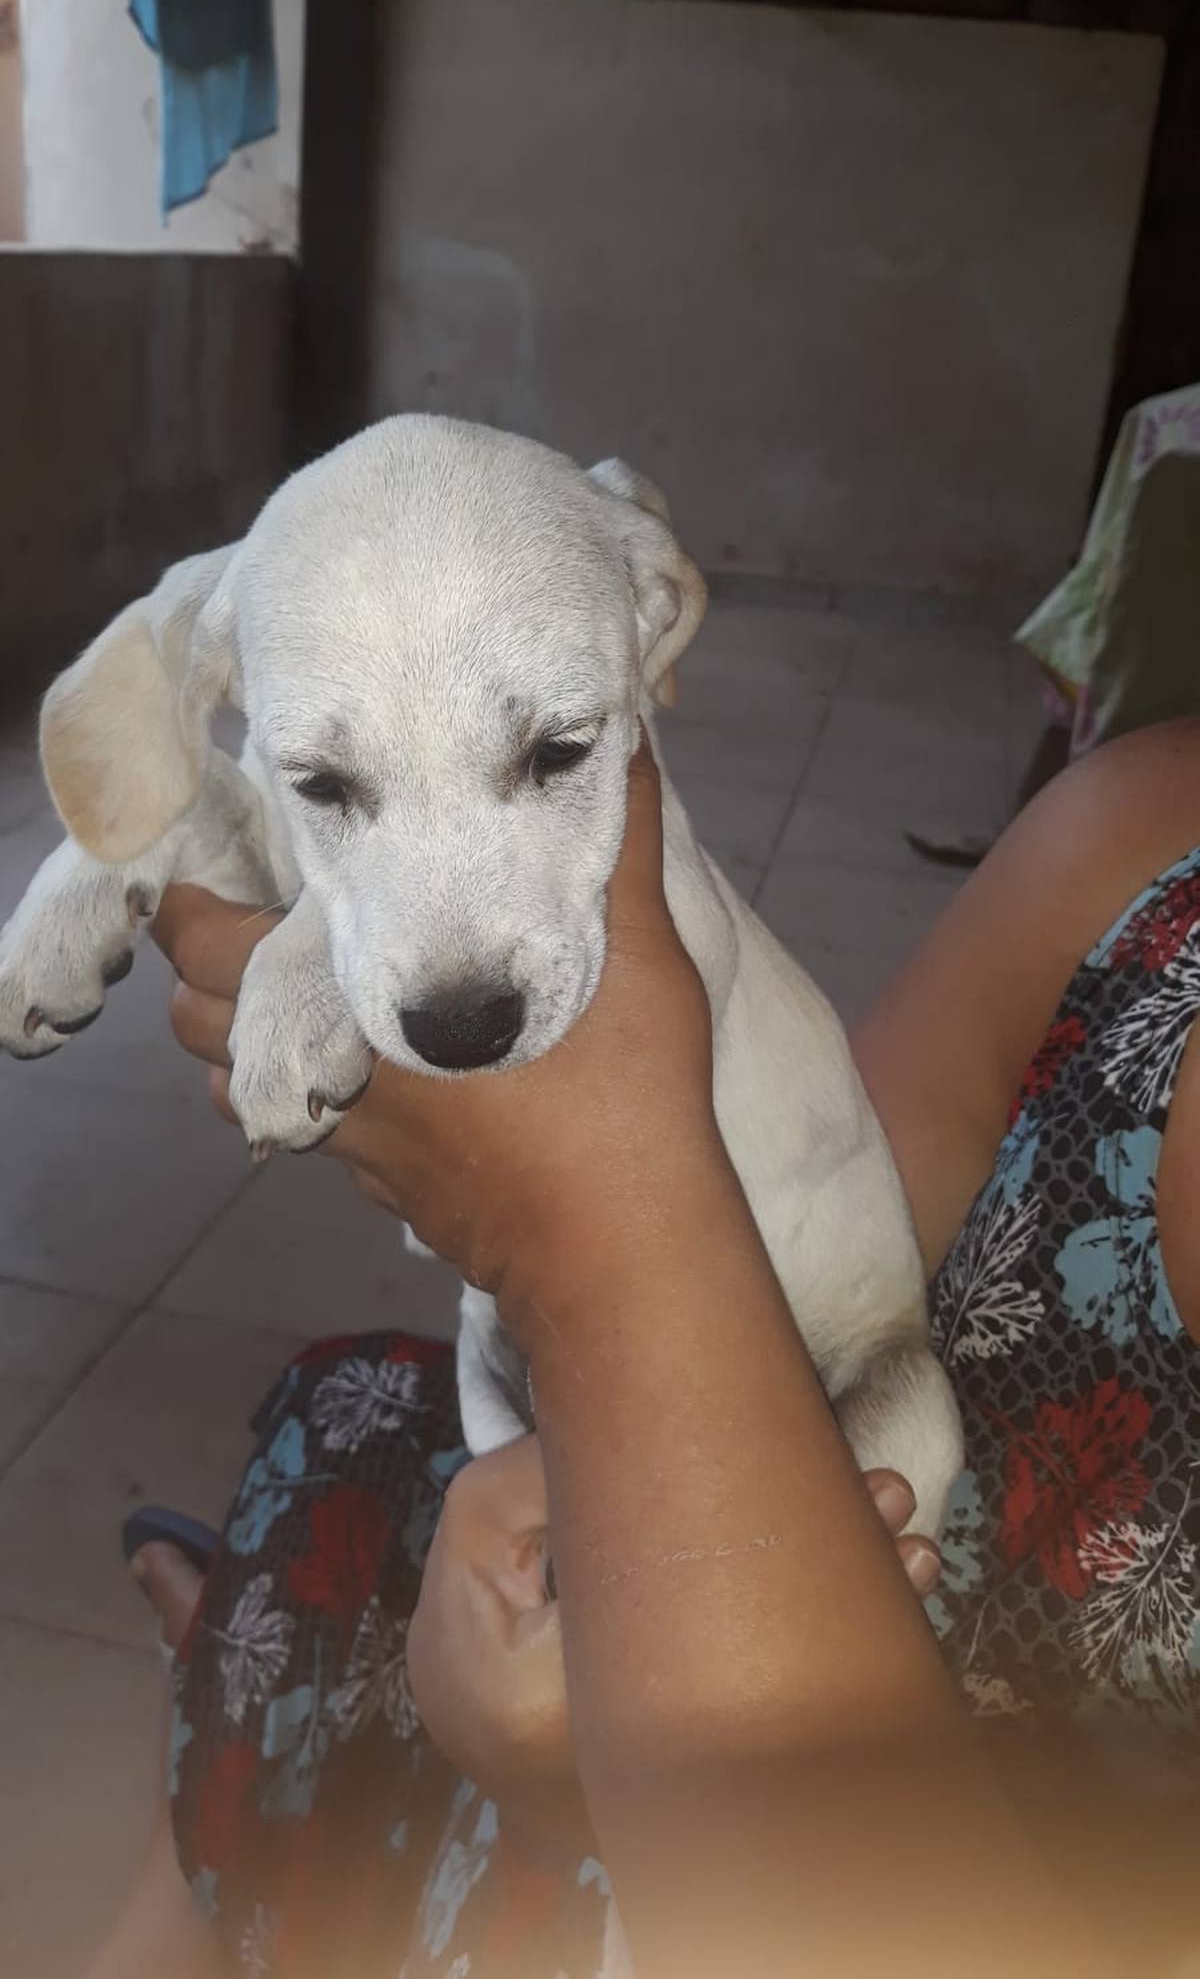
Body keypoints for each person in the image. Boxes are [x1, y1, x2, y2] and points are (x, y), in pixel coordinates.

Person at [89, 722, 1200, 1979]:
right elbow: (818, 1244)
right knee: (351, 1448)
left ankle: (236, 1707)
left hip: (774, 1882)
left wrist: (579, 1237)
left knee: (303, 1682)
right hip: (663, 1537)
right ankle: (230, 1702)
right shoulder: (1128, 839)